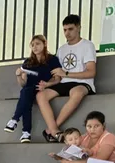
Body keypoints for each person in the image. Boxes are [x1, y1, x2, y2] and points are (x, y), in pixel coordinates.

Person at [37, 15, 97, 143]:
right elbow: (58, 76)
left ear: (79, 28)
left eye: (70, 29)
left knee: (77, 92)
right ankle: (54, 131)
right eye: (64, 30)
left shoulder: (87, 45)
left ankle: (49, 130)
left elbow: (91, 72)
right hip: (64, 82)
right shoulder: (62, 49)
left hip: (82, 83)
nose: (67, 33)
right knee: (40, 95)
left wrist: (66, 73)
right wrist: (48, 84)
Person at [5, 35, 62, 143]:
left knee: (25, 95)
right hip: (29, 89)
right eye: (32, 45)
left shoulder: (52, 59)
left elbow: (57, 79)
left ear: (44, 44)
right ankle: (25, 132)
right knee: (26, 93)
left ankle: (19, 124)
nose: (34, 47)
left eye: (37, 44)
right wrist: (18, 75)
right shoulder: (28, 62)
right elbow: (23, 83)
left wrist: (47, 84)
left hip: (43, 88)